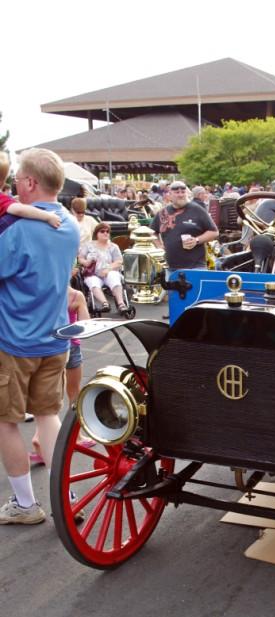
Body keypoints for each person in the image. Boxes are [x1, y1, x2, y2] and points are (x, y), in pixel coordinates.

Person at [0, 148, 80, 524]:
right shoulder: (70, 224)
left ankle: (25, 505)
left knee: (6, 421)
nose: (14, 187)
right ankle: (66, 496)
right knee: (49, 415)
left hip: (14, 340)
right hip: (55, 337)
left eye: (17, 180)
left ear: (31, 183)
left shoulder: (18, 230)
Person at [30, 287, 93, 465]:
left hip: (45, 348)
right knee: (74, 392)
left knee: (47, 397)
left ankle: (39, 435)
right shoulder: (75, 296)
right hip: (70, 347)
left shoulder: (44, 292)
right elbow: (86, 326)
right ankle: (78, 435)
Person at [150, 180, 218, 273]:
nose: (181, 195)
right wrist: (159, 246)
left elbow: (214, 232)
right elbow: (152, 232)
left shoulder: (197, 209)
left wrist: (196, 240)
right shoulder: (163, 213)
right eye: (177, 192)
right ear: (169, 195)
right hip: (170, 267)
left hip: (195, 267)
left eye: (183, 192)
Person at [0, 151, 62, 234]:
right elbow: (19, 210)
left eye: (17, 179)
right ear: (2, 182)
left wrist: (11, 200)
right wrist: (48, 216)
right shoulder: (71, 224)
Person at [78, 222, 128, 314]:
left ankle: (121, 304)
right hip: (93, 273)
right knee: (92, 282)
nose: (106, 233)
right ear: (96, 233)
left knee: (114, 277)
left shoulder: (113, 246)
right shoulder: (88, 245)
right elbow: (80, 258)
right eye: (102, 231)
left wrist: (108, 269)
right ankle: (105, 303)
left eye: (107, 231)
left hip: (108, 272)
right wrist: (86, 262)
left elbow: (119, 261)